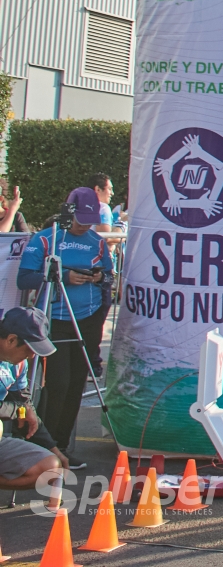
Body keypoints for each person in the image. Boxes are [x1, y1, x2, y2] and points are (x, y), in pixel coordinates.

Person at [17, 188, 114, 465]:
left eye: (90, 220)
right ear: (68, 212)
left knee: (75, 384)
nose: (84, 226)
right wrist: (64, 276)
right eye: (80, 219)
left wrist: (98, 277)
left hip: (88, 319)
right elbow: (24, 279)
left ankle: (61, 446)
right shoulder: (45, 239)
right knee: (58, 384)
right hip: (55, 319)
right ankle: (43, 448)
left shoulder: (97, 242)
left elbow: (109, 276)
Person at [0, 309, 62, 490]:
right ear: (11, 340)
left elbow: (25, 405)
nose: (32, 356)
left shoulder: (18, 364)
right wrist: (19, 411)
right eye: (30, 349)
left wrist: (53, 449)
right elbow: (20, 410)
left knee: (50, 467)